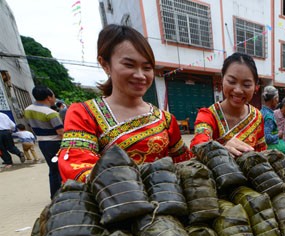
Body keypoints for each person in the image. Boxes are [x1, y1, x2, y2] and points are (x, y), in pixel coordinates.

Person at [58, 24, 191, 184]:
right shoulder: (84, 114)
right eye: (129, 65)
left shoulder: (166, 119)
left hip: (165, 201)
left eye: (147, 68)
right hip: (113, 204)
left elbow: (185, 163)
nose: (140, 75)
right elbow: (78, 167)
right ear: (105, 64)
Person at [191, 52, 266, 156]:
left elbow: (261, 153)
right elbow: (199, 146)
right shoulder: (207, 116)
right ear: (222, 80)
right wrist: (221, 150)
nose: (238, 90)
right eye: (231, 82)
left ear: (255, 87)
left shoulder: (257, 117)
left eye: (246, 85)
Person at [24, 86, 63, 197]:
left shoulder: (28, 110)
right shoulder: (50, 113)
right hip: (54, 143)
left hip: (42, 142)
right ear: (49, 97)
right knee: (58, 169)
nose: (54, 98)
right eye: (53, 95)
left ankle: (55, 194)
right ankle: (57, 195)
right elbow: (61, 132)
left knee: (52, 169)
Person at [261, 86, 285, 154]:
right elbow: (267, 138)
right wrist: (278, 135)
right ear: (273, 99)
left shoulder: (261, 111)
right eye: (277, 98)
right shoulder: (269, 116)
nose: (278, 101)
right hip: (268, 151)